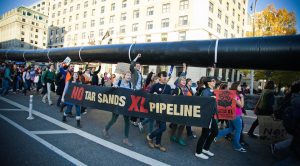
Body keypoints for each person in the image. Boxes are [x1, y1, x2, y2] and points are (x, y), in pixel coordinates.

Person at [102, 71, 133, 147]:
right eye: (127, 75)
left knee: (127, 122)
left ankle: (126, 139)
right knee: (114, 119)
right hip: (117, 104)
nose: (129, 77)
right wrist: (114, 87)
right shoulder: (118, 82)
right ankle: (105, 129)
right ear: (124, 76)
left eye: (130, 76)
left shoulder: (130, 84)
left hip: (126, 105)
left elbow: (131, 94)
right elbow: (111, 90)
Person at [216, 82, 247, 152]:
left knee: (231, 128)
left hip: (231, 114)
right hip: (236, 115)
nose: (240, 87)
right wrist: (242, 97)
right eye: (239, 86)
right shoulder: (235, 95)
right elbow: (241, 105)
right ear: (236, 87)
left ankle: (216, 135)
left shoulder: (231, 94)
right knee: (238, 130)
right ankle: (237, 146)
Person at [146, 71, 171, 152]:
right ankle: (150, 137)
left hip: (164, 110)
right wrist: (154, 96)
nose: (165, 78)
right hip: (156, 110)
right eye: (164, 76)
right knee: (162, 127)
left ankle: (157, 143)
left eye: (166, 76)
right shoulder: (155, 86)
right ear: (160, 76)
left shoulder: (168, 87)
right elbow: (149, 96)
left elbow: (170, 98)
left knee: (161, 127)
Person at [195, 76, 218, 159]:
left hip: (211, 115)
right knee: (204, 134)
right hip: (207, 116)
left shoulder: (212, 90)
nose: (215, 82)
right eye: (213, 81)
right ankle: (198, 152)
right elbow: (203, 101)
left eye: (214, 81)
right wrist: (210, 98)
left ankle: (205, 148)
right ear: (208, 83)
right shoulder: (206, 91)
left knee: (215, 132)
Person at [170, 77, 188, 146]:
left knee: (182, 124)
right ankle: (173, 136)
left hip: (185, 109)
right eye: (182, 80)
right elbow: (173, 99)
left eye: (185, 80)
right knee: (175, 124)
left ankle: (178, 137)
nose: (184, 81)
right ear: (179, 81)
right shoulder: (177, 89)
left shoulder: (186, 89)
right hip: (177, 109)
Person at [130, 53, 143, 126]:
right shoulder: (134, 71)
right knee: (135, 106)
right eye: (137, 66)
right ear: (135, 67)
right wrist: (137, 57)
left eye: (139, 66)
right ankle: (133, 120)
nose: (138, 67)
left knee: (137, 106)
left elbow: (140, 82)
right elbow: (131, 65)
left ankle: (133, 119)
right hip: (134, 91)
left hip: (139, 90)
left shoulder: (140, 73)